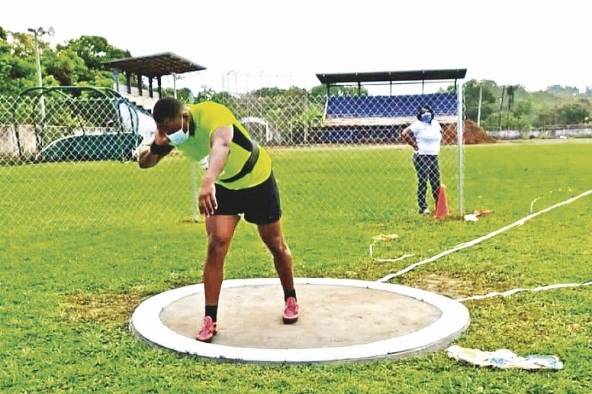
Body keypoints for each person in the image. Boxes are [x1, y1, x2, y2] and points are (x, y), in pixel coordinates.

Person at [138, 97, 299, 342]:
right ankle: (209, 318)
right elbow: (145, 164)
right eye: (164, 130)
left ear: (184, 116)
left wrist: (208, 180)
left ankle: (291, 298)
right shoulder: (170, 133)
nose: (170, 134)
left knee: (275, 244)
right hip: (224, 187)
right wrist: (158, 146)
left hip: (256, 178)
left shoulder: (212, 113)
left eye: (171, 129)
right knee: (216, 245)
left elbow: (221, 145)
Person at [401, 105, 442, 215]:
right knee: (423, 181)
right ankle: (423, 207)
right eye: (423, 113)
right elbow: (404, 134)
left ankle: (439, 205)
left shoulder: (435, 123)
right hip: (422, 156)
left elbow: (439, 134)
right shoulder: (417, 124)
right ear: (419, 115)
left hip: (433, 156)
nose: (426, 115)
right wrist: (415, 145)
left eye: (428, 112)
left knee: (436, 182)